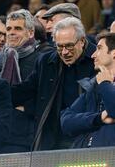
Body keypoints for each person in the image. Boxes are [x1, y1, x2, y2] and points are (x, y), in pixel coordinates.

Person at [11, 17, 97, 151]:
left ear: (82, 41)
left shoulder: (98, 60)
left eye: (69, 46)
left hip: (87, 136)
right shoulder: (46, 62)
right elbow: (26, 90)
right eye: (59, 47)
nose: (64, 52)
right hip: (53, 138)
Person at [0, 10, 43, 153]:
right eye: (8, 29)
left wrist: (27, 109)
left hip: (28, 135)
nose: (11, 33)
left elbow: (45, 95)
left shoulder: (42, 60)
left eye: (18, 28)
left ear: (30, 33)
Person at [61, 32, 115, 148]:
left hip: (109, 158)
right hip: (85, 157)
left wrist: (105, 84)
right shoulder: (93, 86)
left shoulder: (102, 84)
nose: (93, 55)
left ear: (114, 53)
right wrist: (98, 118)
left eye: (99, 48)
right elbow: (65, 121)